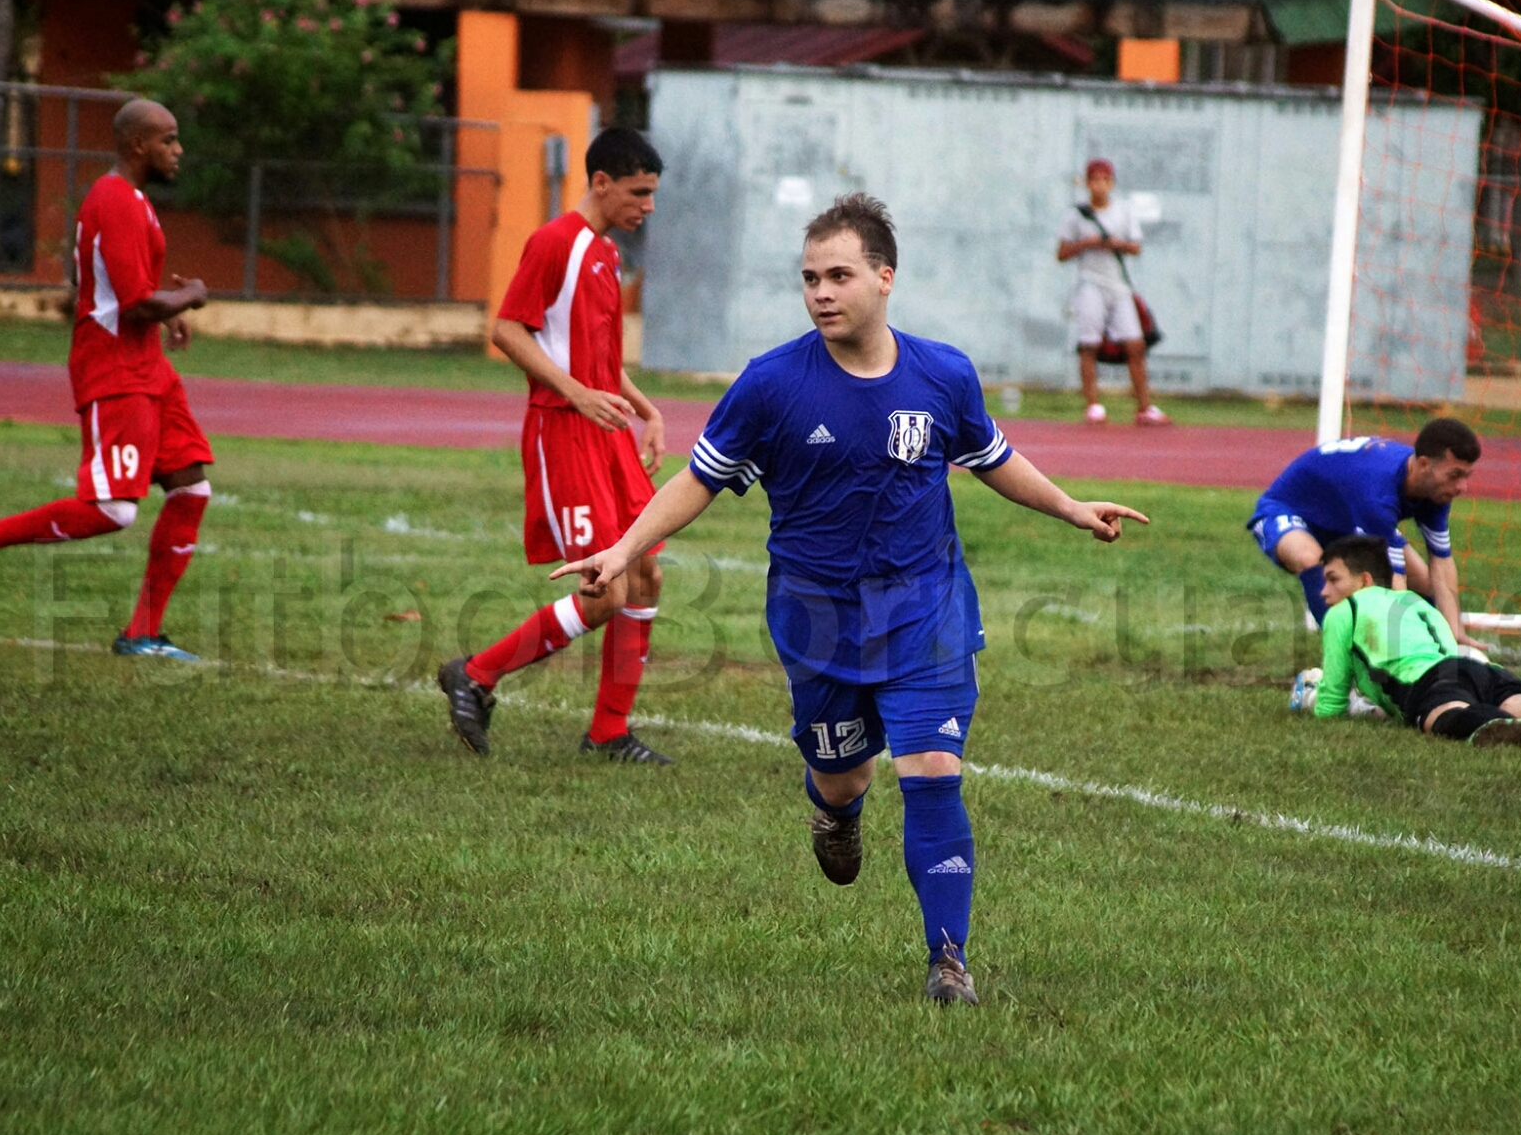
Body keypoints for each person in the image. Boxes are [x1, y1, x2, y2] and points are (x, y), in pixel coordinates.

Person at [550, 194, 1148, 1003]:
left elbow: (991, 456)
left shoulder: (943, 373)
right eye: (809, 278)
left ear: (885, 278)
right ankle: (834, 811)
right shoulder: (770, 384)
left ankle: (949, 961)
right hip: (817, 616)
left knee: (932, 769)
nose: (821, 292)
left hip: (925, 606)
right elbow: (700, 479)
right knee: (842, 775)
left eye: (839, 275)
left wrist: (1071, 506)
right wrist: (624, 549)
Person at [0, 99, 212, 660]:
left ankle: (142, 634)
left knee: (190, 486)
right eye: (169, 140)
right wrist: (191, 296)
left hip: (148, 367)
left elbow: (130, 291)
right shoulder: (114, 199)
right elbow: (134, 304)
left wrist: (171, 306)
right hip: (115, 370)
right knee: (114, 510)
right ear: (138, 145)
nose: (177, 150)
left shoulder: (133, 200)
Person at [437, 128, 674, 764]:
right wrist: (576, 394)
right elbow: (508, 329)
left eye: (652, 193)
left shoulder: (603, 253)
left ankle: (608, 731)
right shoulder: (555, 242)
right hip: (563, 429)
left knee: (646, 571)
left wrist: (645, 408)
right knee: (607, 590)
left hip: (605, 430)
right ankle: (477, 674)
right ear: (601, 182)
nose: (648, 205)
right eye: (639, 192)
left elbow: (597, 356)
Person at [1311, 534, 1521, 748]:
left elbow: (1332, 698)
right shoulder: (1414, 601)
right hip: (1478, 668)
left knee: (1449, 715)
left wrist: (1320, 710)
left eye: (1332, 579)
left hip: (1428, 681)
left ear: (1365, 579)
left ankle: (1494, 725)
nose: (1324, 591)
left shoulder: (1346, 611)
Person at [1251, 418, 1483, 644]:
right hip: (1286, 510)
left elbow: (1441, 561)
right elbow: (1393, 582)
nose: (1462, 487)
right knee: (1313, 560)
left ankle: (1437, 648)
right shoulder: (1378, 494)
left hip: (1349, 521)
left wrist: (1454, 632)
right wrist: (1396, 644)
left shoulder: (1434, 488)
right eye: (1454, 476)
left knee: (1423, 583)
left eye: (1466, 476)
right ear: (1422, 464)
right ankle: (1350, 656)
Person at [1056, 158, 1167, 427]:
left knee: (1134, 344)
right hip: (1089, 283)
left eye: (1105, 180)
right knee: (1089, 343)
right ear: (1087, 183)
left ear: (1111, 183)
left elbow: (1135, 247)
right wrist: (1087, 243)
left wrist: (1114, 244)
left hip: (1117, 285)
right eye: (1094, 180)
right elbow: (1062, 253)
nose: (1099, 186)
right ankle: (1093, 405)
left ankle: (1144, 406)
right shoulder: (1077, 215)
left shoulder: (1123, 212)